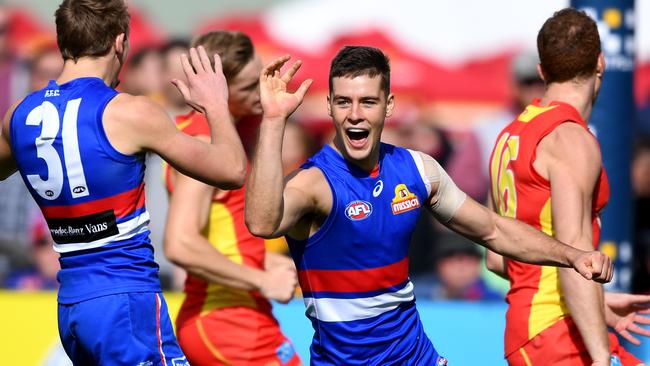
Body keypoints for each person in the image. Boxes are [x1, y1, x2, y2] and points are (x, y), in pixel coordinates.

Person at [244, 45, 612, 365]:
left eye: (367, 101)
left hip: (417, 356)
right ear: (330, 106)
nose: (354, 114)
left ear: (388, 106)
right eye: (343, 102)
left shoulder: (418, 170)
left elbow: (493, 229)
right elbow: (261, 222)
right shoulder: (316, 183)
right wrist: (274, 119)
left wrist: (573, 256)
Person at [0, 0, 247, 364]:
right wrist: (216, 105)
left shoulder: (18, 115)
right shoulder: (128, 111)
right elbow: (232, 170)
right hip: (126, 301)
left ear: (63, 43)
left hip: (71, 304)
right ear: (120, 42)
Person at [486, 8, 649, 366]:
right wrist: (601, 357)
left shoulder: (509, 135)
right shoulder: (570, 139)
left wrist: (598, 303)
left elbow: (497, 257)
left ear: (543, 71)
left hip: (541, 326)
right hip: (553, 332)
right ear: (601, 63)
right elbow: (573, 252)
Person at [163, 30, 301, 366]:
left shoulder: (211, 135)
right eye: (250, 85)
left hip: (241, 314)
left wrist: (261, 259)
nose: (262, 90)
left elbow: (220, 233)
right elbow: (180, 243)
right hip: (224, 321)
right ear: (219, 89)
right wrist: (262, 278)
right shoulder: (206, 141)